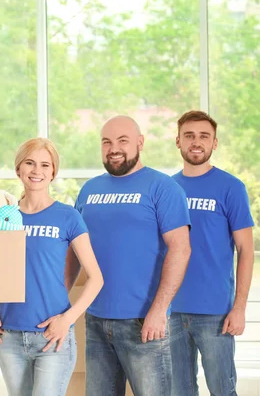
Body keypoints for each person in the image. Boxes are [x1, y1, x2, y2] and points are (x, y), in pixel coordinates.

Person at [71, 115, 191, 396]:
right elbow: (74, 252)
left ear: (140, 143)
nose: (114, 148)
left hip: (144, 322)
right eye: (107, 142)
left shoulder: (163, 187)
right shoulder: (88, 190)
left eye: (123, 141)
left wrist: (159, 310)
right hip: (96, 320)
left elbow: (181, 248)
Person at [0, 138, 103, 396]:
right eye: (30, 163)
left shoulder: (68, 216)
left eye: (44, 165)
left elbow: (96, 278)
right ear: (18, 169)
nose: (37, 171)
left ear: (53, 173)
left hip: (52, 336)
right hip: (10, 336)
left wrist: (67, 319)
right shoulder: (5, 217)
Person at [170, 110, 254, 396]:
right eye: (189, 135)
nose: (196, 142)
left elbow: (245, 250)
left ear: (214, 143)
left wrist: (240, 307)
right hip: (170, 310)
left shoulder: (231, 187)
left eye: (204, 136)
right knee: (179, 391)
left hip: (216, 312)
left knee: (222, 389)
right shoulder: (166, 189)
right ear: (177, 141)